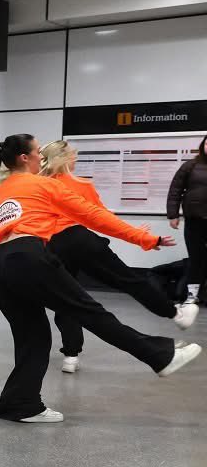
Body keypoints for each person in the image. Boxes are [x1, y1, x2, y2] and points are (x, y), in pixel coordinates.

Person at [0, 133, 200, 424]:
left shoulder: (2, 191)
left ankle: (20, 404)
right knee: (90, 312)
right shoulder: (44, 184)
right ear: (24, 158)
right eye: (37, 153)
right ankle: (160, 356)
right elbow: (96, 217)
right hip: (28, 257)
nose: (41, 158)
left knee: (33, 337)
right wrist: (144, 238)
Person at [40, 140, 197, 373]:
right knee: (129, 280)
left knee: (68, 301)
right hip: (79, 240)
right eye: (73, 155)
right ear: (63, 159)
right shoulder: (81, 185)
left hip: (51, 246)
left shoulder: (39, 185)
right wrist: (143, 238)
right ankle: (176, 314)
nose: (76, 159)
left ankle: (70, 356)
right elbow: (102, 218)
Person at [167, 135, 207, 305]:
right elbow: (175, 190)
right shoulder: (190, 166)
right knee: (195, 258)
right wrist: (173, 214)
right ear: (203, 145)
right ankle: (192, 295)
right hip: (194, 220)